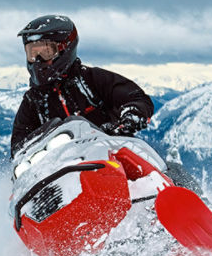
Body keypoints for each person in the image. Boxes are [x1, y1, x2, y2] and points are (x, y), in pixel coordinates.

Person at [10, 14, 157, 154]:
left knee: (156, 173)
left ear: (65, 48)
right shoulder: (33, 102)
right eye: (33, 54)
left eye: (46, 52)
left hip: (113, 154)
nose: (38, 61)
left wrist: (128, 119)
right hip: (62, 170)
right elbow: (18, 146)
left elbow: (137, 98)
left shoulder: (93, 79)